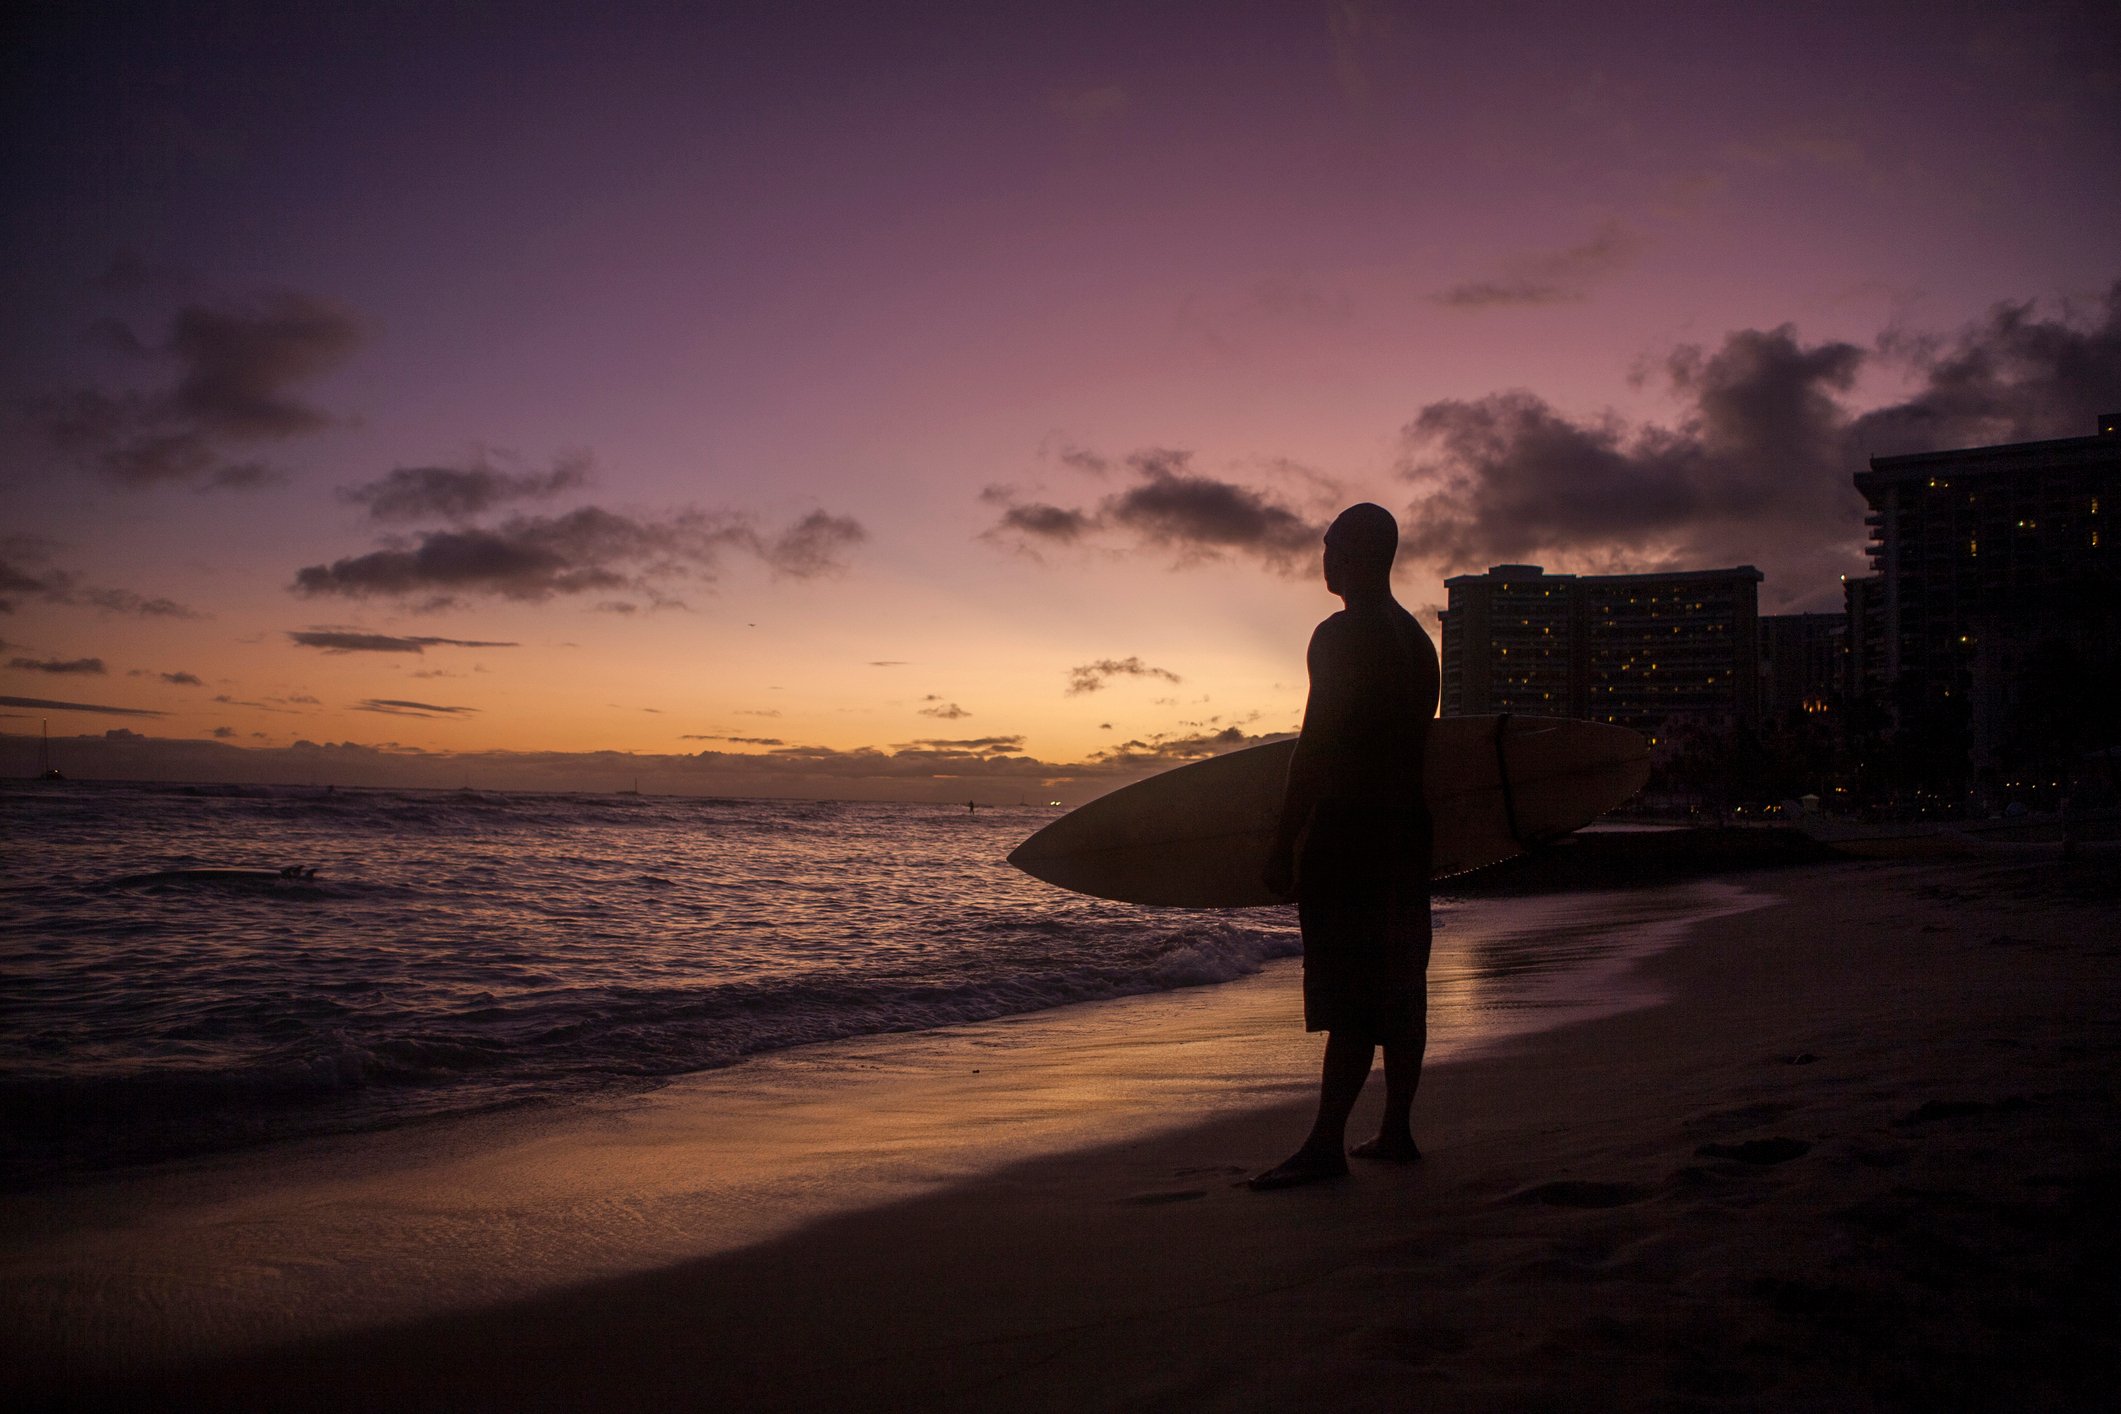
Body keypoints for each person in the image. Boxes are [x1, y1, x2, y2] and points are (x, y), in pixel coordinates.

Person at [1251, 503, 1439, 1190]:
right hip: (1406, 830)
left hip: (1351, 830)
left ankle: (1325, 1146)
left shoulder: (1339, 635)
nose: (1322, 559)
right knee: (1400, 983)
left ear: (1360, 554)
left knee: (1349, 991)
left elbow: (1316, 745)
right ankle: (1395, 1131)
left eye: (1331, 547)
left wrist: (1283, 839)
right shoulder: (1417, 642)